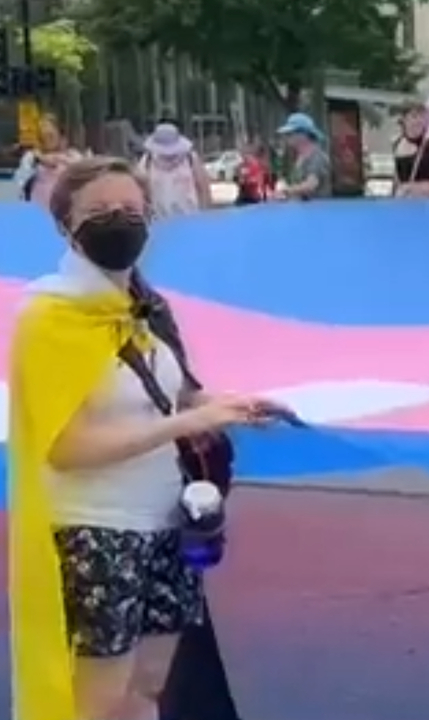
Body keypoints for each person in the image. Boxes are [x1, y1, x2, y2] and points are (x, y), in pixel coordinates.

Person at [6, 155, 289, 720]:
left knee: (149, 685)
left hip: (165, 527)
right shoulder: (49, 319)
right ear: (67, 225)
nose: (120, 220)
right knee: (100, 700)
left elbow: (172, 397)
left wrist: (228, 406)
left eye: (132, 209)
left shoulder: (141, 312)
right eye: (102, 211)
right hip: (98, 533)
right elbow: (66, 448)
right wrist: (188, 423)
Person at [138, 122, 213, 219]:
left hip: (190, 218)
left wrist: (206, 215)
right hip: (159, 221)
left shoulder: (190, 158)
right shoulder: (147, 161)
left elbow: (203, 188)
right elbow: (141, 191)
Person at [14, 114, 82, 206]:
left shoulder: (74, 156)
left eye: (50, 136)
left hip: (64, 213)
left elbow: (82, 176)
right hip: (38, 213)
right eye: (43, 137)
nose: (47, 141)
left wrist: (61, 160)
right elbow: (19, 183)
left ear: (60, 135)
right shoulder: (32, 158)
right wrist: (38, 159)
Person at [392, 104, 429, 198]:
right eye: (414, 116)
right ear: (404, 119)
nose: (419, 121)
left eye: (422, 117)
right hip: (407, 207)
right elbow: (397, 181)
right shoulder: (397, 145)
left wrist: (413, 187)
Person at [275, 112, 332, 201]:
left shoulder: (317, 157)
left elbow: (310, 186)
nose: (286, 137)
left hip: (317, 212)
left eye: (290, 133)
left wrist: (286, 190)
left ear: (303, 134)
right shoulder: (300, 157)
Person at [234, 140, 271, 206]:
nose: (244, 156)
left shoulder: (255, 164)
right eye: (242, 154)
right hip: (244, 194)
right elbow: (238, 178)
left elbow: (258, 179)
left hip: (254, 195)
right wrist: (238, 179)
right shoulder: (241, 166)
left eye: (246, 154)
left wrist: (247, 181)